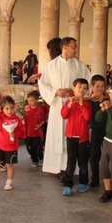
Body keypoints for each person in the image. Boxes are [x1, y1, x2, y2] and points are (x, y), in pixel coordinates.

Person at [38, 37, 91, 176]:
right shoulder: (51, 65)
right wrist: (56, 92)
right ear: (65, 47)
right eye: (74, 46)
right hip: (57, 106)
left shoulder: (81, 66)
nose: (76, 49)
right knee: (57, 136)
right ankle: (55, 167)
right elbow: (43, 84)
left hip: (74, 108)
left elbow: (88, 85)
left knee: (71, 137)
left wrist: (77, 93)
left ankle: (69, 169)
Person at [0, 95, 25, 191]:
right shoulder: (1, 117)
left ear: (14, 107)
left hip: (11, 147)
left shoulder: (17, 119)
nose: (10, 111)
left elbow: (23, 133)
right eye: (7, 108)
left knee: (9, 165)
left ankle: (9, 182)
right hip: (0, 145)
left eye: (12, 108)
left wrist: (15, 134)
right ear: (2, 109)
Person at [60, 78, 92, 195]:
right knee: (71, 162)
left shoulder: (87, 103)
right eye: (80, 87)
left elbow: (87, 117)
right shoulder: (69, 101)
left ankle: (83, 183)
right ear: (74, 88)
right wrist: (69, 104)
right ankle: (67, 184)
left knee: (83, 163)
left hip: (83, 138)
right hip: (70, 137)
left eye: (85, 88)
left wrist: (82, 104)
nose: (82, 90)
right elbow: (63, 115)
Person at [87, 75, 107, 188]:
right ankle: (95, 178)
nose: (100, 89)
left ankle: (109, 177)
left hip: (107, 129)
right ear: (92, 87)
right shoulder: (88, 100)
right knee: (94, 155)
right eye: (97, 86)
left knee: (109, 155)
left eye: (102, 86)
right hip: (95, 130)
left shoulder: (108, 99)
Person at [23, 90, 46, 167]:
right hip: (27, 132)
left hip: (37, 133)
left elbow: (44, 120)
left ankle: (40, 158)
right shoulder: (26, 108)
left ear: (36, 100)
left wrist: (39, 126)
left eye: (31, 100)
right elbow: (22, 117)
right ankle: (34, 159)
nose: (29, 102)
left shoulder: (40, 109)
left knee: (37, 147)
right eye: (28, 100)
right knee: (29, 147)